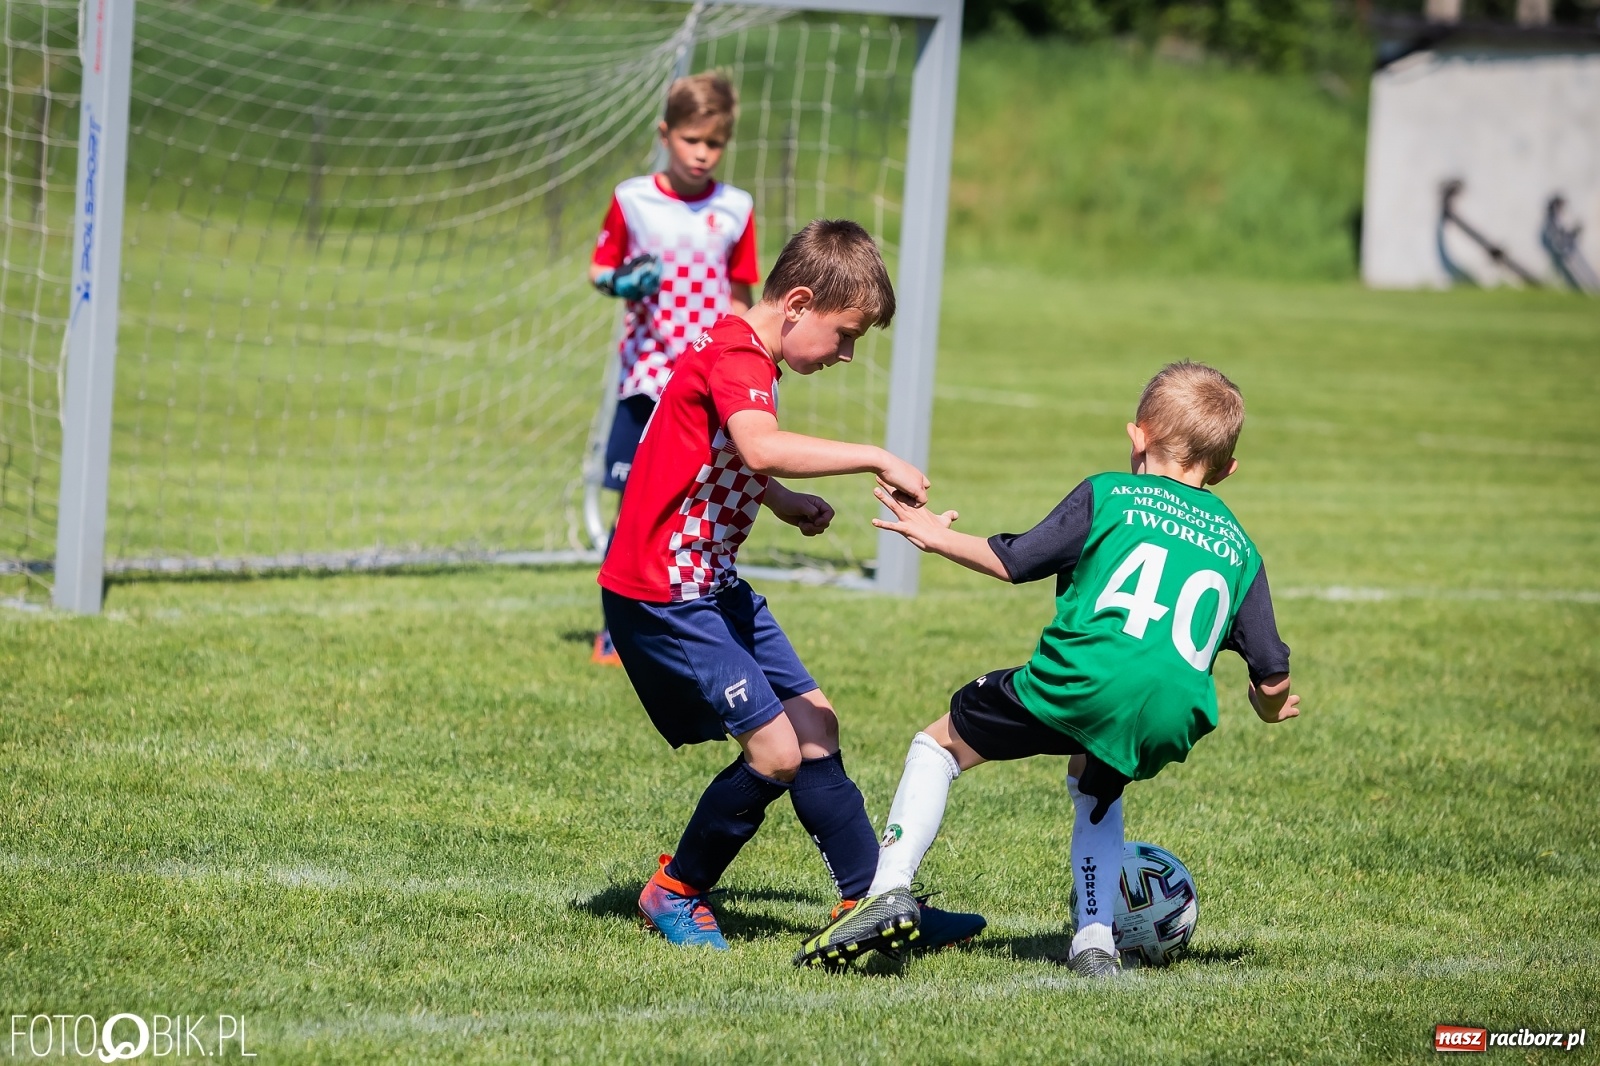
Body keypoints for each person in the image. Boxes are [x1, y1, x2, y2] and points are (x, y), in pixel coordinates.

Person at [794, 361, 1299, 975]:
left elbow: (1015, 560)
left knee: (938, 745)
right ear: (1226, 469)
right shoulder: (1241, 547)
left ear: (1136, 437)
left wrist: (933, 535)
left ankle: (887, 892)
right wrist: (1269, 708)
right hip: (1169, 717)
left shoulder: (1111, 493)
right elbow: (1272, 677)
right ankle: (1094, 943)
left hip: (1079, 683)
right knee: (1096, 783)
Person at [600, 219, 985, 954]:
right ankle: (674, 891)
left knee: (816, 727)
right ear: (800, 303)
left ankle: (871, 901)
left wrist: (777, 500)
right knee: (776, 752)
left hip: (709, 580)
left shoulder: (739, 348)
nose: (845, 354)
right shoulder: (739, 354)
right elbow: (758, 444)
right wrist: (876, 456)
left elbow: (713, 448)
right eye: (845, 336)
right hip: (666, 590)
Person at [588, 71, 760, 666]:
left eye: (715, 143)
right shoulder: (632, 199)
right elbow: (599, 269)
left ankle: (692, 620)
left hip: (703, 384)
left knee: (701, 505)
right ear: (665, 134)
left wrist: (742, 362)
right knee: (633, 503)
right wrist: (620, 282)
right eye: (692, 140)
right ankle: (614, 628)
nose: (702, 153)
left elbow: (740, 296)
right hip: (645, 375)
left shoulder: (736, 208)